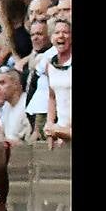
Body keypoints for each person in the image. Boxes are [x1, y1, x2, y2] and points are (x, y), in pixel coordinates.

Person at [42, 18, 71, 147]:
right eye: (56, 32)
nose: (61, 36)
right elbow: (52, 96)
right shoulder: (50, 65)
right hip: (61, 128)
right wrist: (50, 123)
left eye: (65, 32)